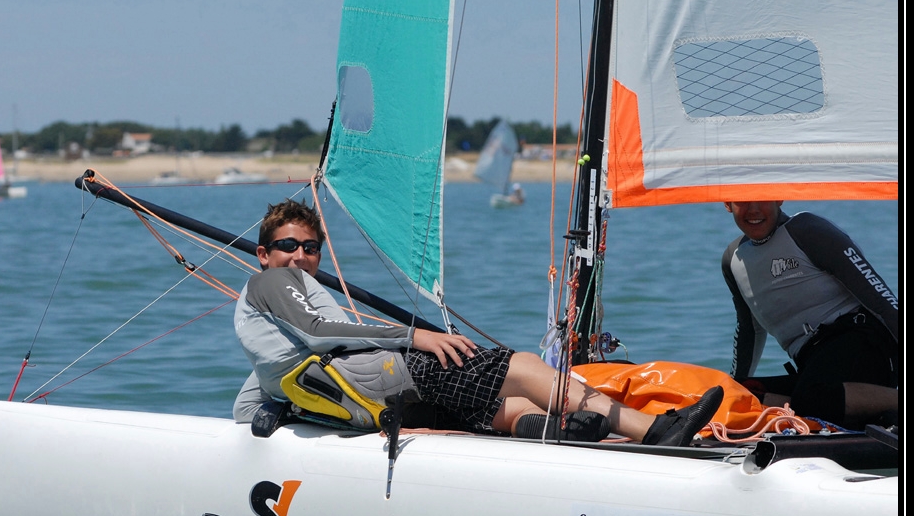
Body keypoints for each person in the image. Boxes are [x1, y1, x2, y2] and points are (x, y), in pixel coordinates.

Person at [232, 198, 724, 445]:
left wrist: (273, 414)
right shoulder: (272, 284)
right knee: (527, 367)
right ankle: (654, 431)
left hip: (360, 404)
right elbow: (320, 332)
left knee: (496, 407)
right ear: (263, 254)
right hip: (378, 381)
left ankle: (560, 430)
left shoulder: (270, 312)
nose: (300, 256)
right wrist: (416, 336)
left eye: (310, 247)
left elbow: (254, 393)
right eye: (287, 246)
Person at [721, 201, 899, 428]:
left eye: (763, 199)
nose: (754, 210)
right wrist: (735, 383)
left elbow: (881, 300)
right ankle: (844, 415)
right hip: (814, 364)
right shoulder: (733, 258)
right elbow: (749, 330)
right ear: (727, 205)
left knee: (813, 396)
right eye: (742, 202)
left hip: (863, 342)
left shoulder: (807, 230)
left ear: (779, 198)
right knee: (738, 394)